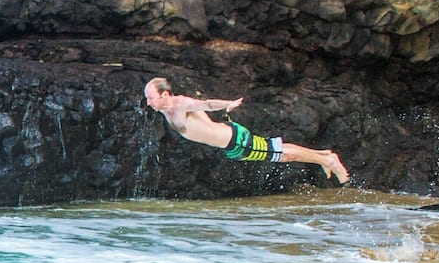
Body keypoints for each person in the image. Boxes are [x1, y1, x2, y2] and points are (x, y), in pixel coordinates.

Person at [143, 77, 349, 184]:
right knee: (278, 152)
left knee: (282, 154)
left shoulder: (181, 104)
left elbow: (205, 104)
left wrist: (228, 104)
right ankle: (323, 156)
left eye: (151, 97)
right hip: (232, 149)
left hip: (236, 140)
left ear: (165, 94)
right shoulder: (165, 110)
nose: (148, 102)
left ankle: (327, 161)